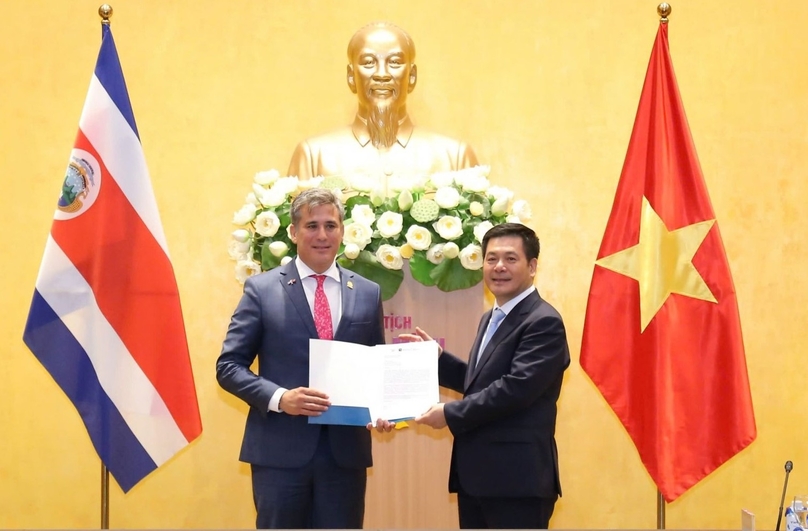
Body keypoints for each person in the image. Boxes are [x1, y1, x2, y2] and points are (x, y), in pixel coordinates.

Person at [216, 188, 392, 529]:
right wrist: (281, 398)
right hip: (280, 454)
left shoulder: (368, 292)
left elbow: (376, 365)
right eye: (312, 226)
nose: (322, 235)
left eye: (331, 225)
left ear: (342, 230)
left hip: (345, 457)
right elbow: (228, 367)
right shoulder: (261, 289)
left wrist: (385, 408)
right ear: (294, 232)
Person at [399, 223, 570, 529]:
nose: (499, 267)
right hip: (478, 479)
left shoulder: (543, 321)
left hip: (518, 482)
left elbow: (515, 390)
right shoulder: (490, 317)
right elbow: (482, 383)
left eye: (510, 259)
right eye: (491, 259)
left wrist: (449, 413)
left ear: (532, 266)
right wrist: (436, 360)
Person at [287, 22, 478, 183]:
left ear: (411, 76)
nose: (381, 74)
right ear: (351, 77)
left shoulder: (455, 157)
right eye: (368, 62)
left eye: (394, 62)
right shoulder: (313, 156)